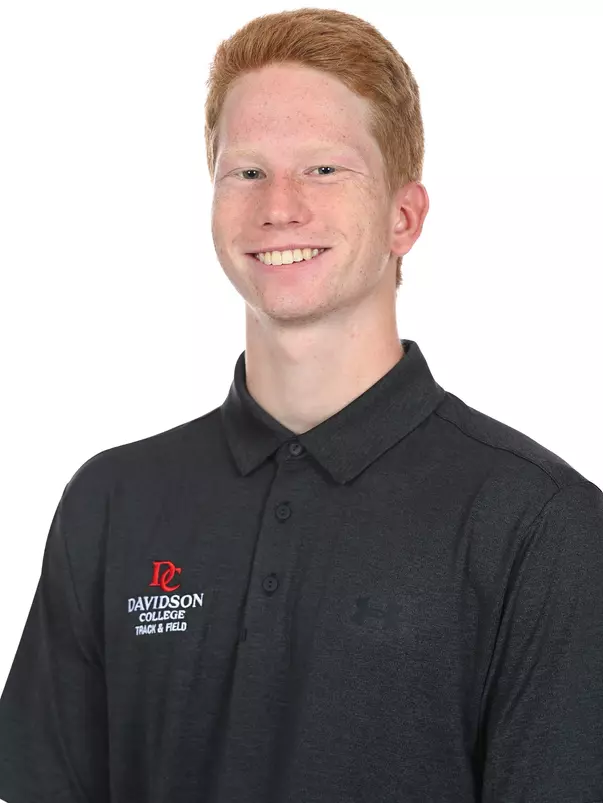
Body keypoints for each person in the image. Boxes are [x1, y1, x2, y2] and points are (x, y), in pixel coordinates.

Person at [0, 7, 602, 802]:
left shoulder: (540, 525)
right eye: (245, 171)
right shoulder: (110, 503)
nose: (277, 205)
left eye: (323, 169)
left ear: (403, 216)